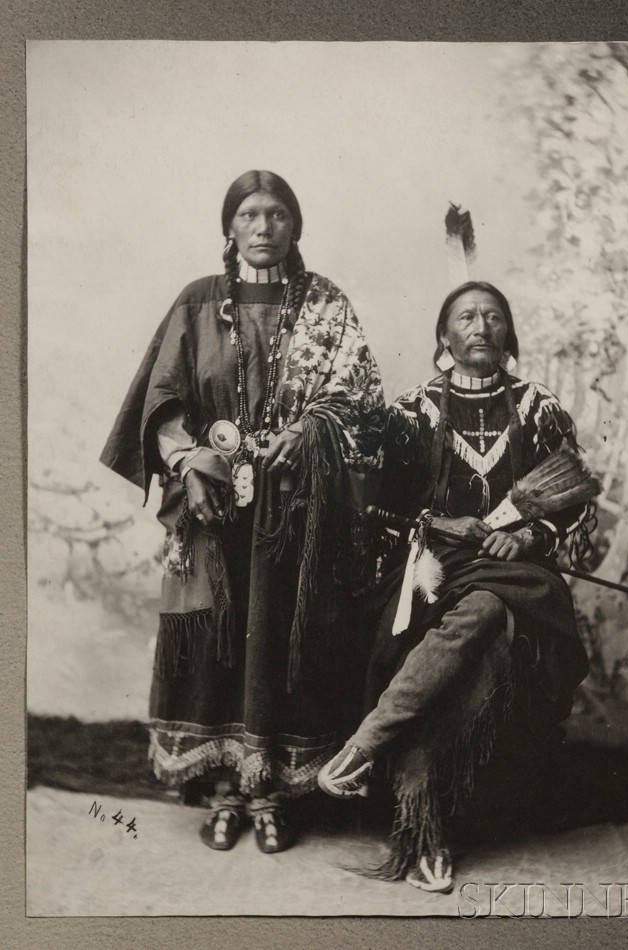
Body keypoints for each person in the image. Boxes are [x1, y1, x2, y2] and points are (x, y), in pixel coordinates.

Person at [101, 170, 384, 854]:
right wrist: (190, 463)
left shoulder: (327, 304)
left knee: (283, 644)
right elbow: (162, 401)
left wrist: (309, 432)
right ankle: (223, 793)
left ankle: (274, 795)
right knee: (214, 646)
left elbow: (361, 402)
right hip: (209, 506)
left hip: (297, 511)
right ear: (229, 227)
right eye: (250, 215)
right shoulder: (197, 302)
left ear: (296, 225)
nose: (263, 227)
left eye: (278, 214)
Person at [318, 281, 594, 893]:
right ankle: (426, 823)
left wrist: (529, 535)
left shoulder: (537, 407)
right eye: (466, 316)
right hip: (431, 569)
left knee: (493, 602)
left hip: (516, 570)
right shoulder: (414, 409)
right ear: (444, 335)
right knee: (484, 630)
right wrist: (440, 521)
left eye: (494, 316)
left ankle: (372, 753)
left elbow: (572, 498)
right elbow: (378, 507)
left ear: (508, 334)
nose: (481, 325)